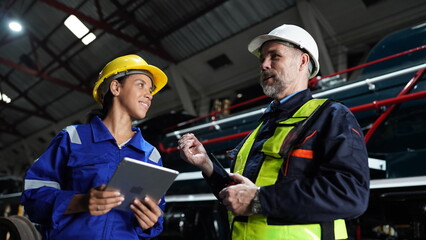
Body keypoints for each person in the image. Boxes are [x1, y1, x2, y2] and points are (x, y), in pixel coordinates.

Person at [178, 24, 370, 240]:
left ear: (302, 61)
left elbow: (350, 195)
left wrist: (260, 200)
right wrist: (207, 165)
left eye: (274, 56)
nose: (264, 65)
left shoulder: (331, 116)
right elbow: (239, 194)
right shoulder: (261, 129)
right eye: (262, 59)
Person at [20, 54, 168, 239]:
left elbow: (158, 212)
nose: (149, 94)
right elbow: (34, 195)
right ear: (116, 87)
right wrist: (80, 202)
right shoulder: (74, 138)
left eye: (151, 89)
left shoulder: (151, 154)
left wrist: (151, 222)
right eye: (141, 84)